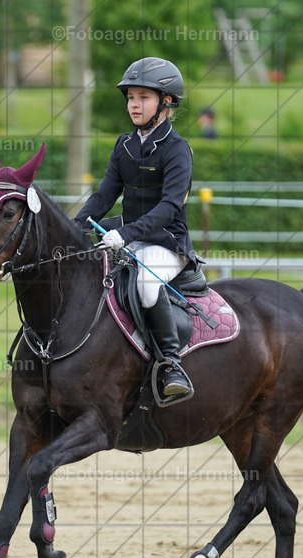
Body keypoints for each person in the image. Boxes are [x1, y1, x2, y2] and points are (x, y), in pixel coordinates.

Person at [75, 57, 196, 400]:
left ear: (166, 102)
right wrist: (74, 227)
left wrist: (125, 234)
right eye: (130, 97)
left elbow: (169, 207)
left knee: (145, 283)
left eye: (143, 97)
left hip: (166, 243)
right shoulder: (124, 145)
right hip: (126, 237)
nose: (134, 104)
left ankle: (172, 364)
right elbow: (104, 196)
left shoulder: (177, 150)